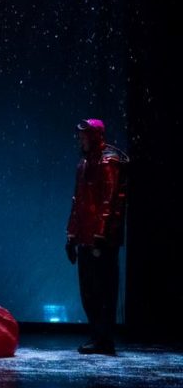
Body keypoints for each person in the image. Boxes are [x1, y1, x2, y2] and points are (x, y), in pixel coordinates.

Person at [66, 119, 127, 355]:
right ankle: (98, 336)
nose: (80, 141)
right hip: (86, 236)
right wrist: (71, 235)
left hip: (102, 239)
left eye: (84, 137)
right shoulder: (84, 164)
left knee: (103, 290)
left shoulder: (108, 162)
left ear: (94, 137)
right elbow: (77, 201)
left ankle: (104, 338)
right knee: (89, 290)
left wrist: (101, 234)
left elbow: (109, 201)